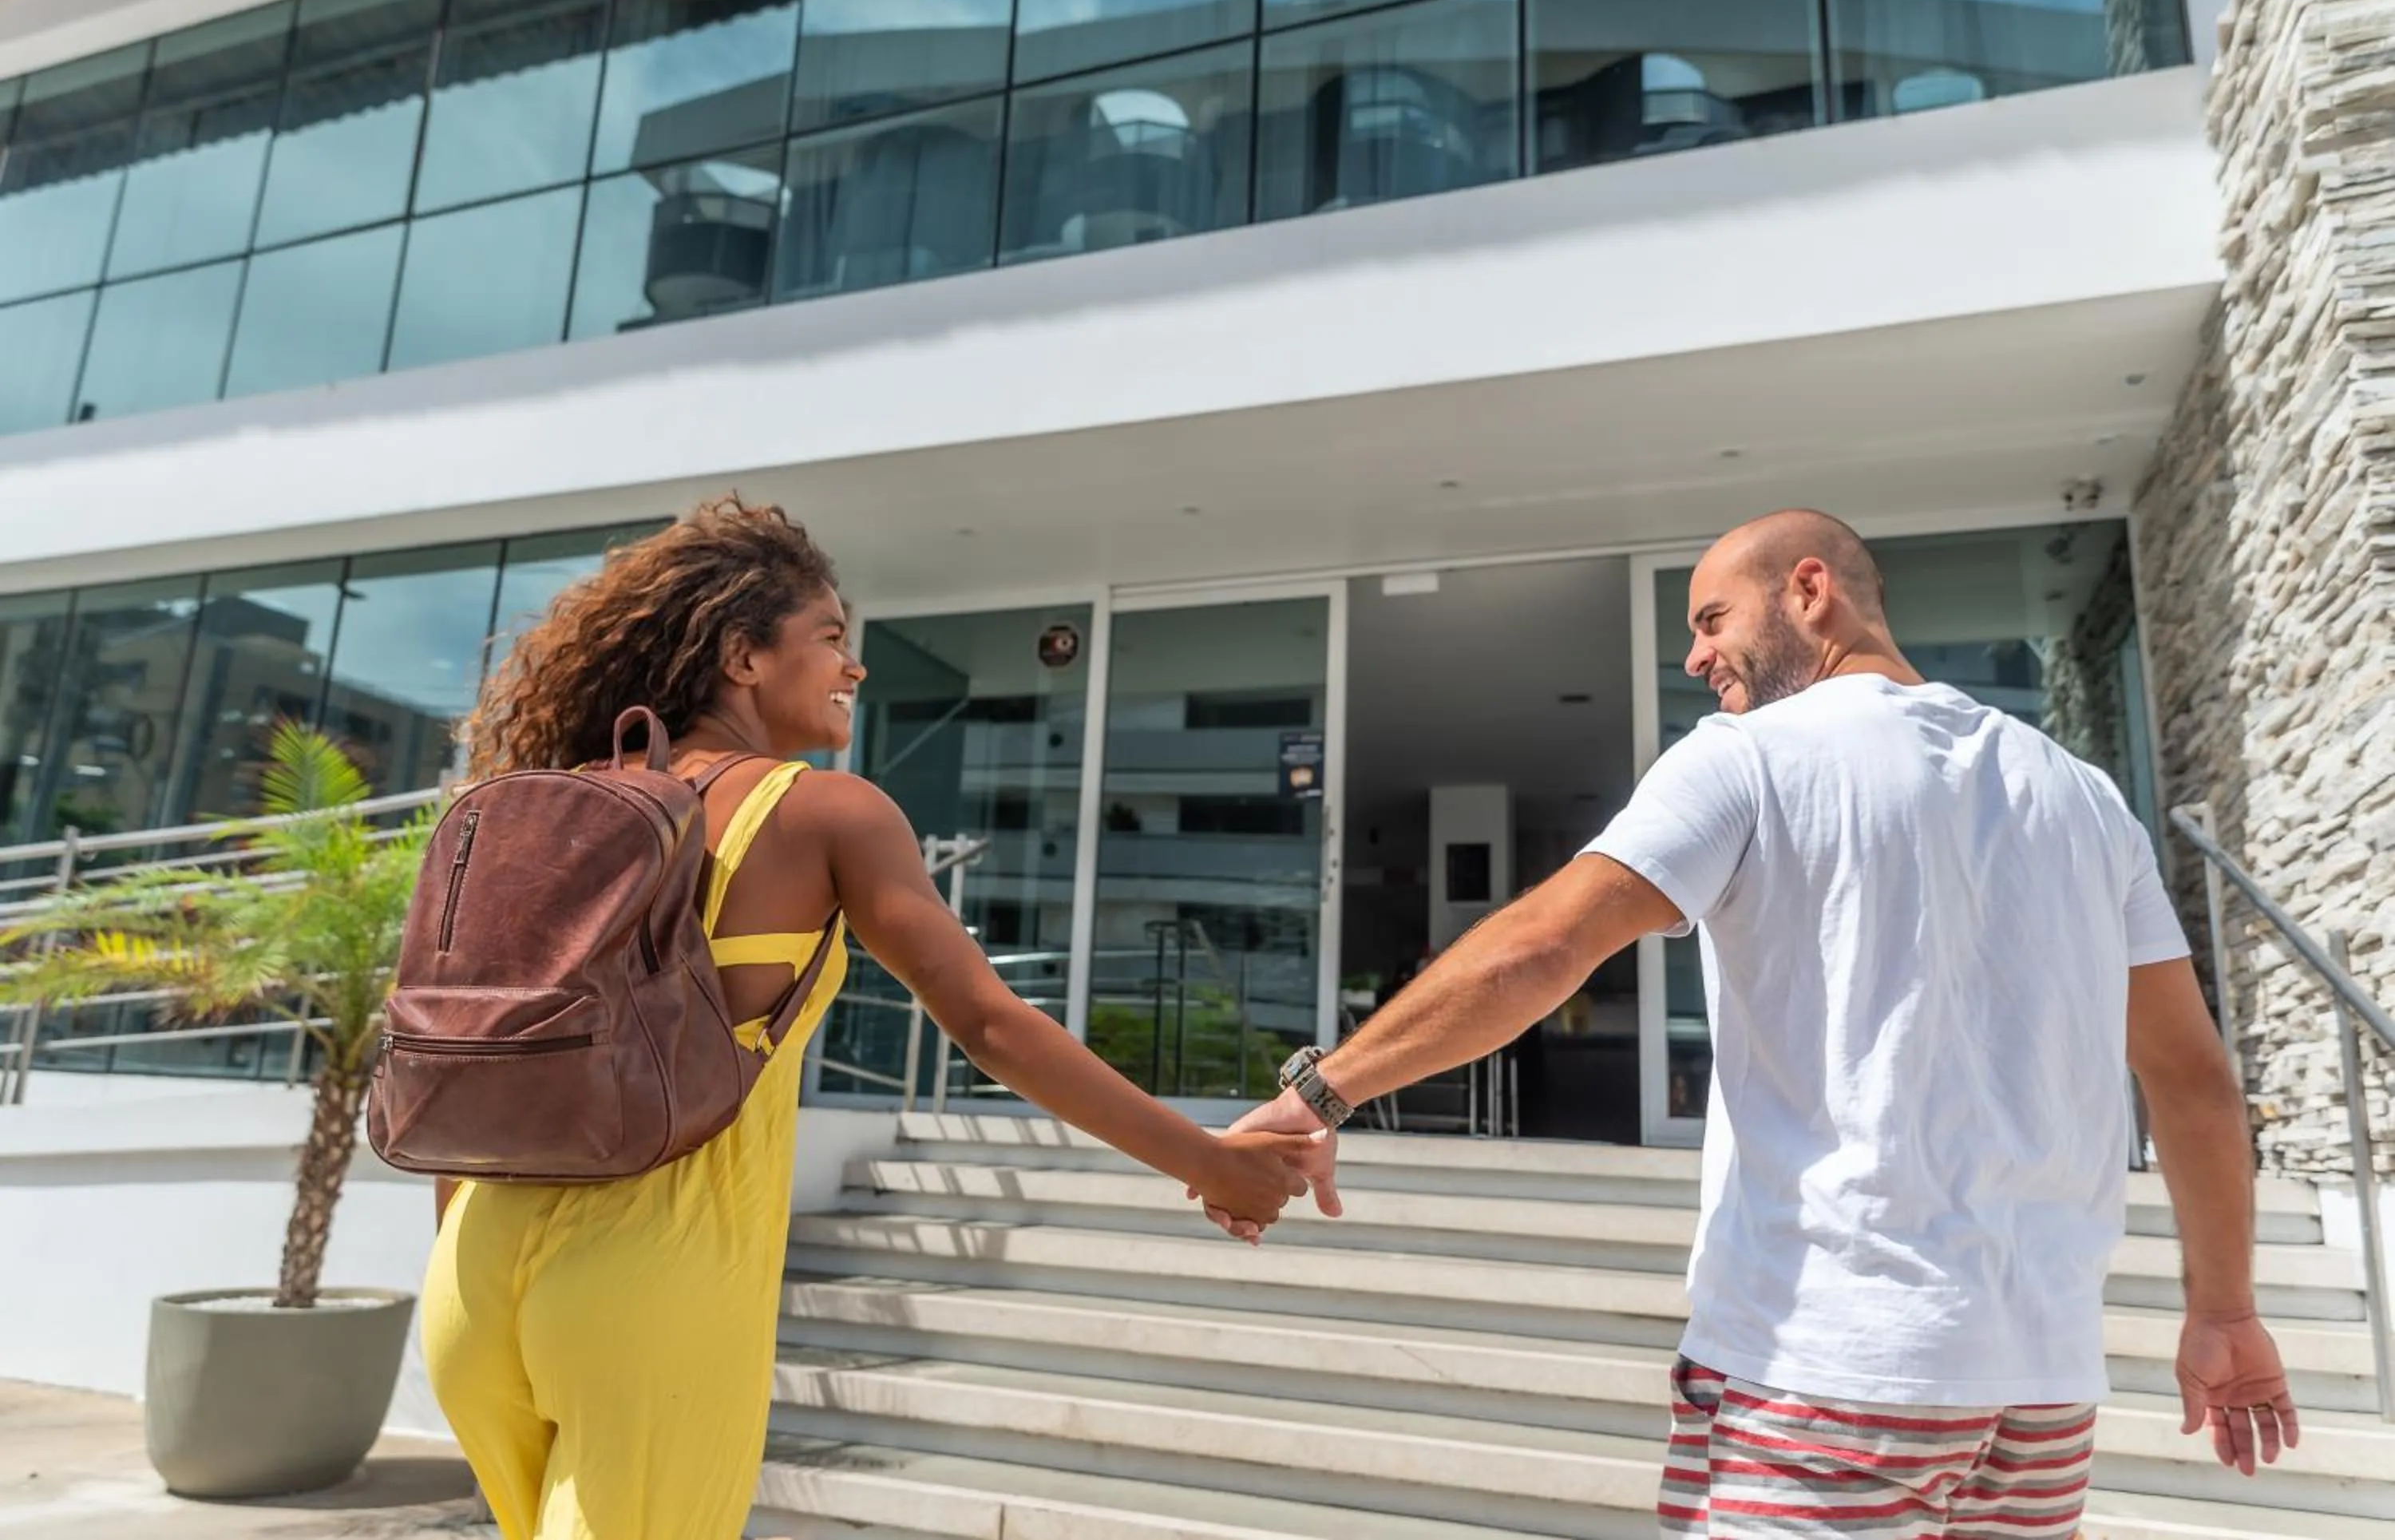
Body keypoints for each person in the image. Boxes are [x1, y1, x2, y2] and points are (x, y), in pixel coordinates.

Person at [1215, 510, 2298, 1538]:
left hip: (1829, 1373)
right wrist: (2226, 1309)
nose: (1694, 658)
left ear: (1811, 592)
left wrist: (1322, 1089)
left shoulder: (1751, 758)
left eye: (1710, 619)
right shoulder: (2084, 797)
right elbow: (2192, 1078)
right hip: (2041, 1397)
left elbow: (1542, 950)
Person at [420, 497, 1322, 1540]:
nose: (855, 668)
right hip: (650, 1283)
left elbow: (475, 1054)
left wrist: (469, 1264)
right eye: (833, 639)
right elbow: (987, 1025)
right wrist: (1208, 1161)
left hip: (473, 1268)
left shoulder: (547, 803)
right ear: (741, 657)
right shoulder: (823, 811)